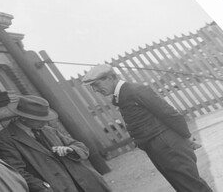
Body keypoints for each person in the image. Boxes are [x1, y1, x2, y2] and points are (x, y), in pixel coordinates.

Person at [82, 65, 213, 192]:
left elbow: (168, 113)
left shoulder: (135, 90)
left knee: (192, 186)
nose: (95, 90)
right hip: (158, 147)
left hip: (167, 145)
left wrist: (187, 136)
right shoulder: (123, 94)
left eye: (96, 85)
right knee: (182, 186)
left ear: (110, 78)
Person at [0, 95, 111, 192]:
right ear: (23, 118)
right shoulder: (4, 139)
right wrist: (43, 187)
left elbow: (81, 147)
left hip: (87, 183)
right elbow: (15, 171)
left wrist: (71, 149)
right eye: (40, 120)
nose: (46, 122)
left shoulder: (47, 129)